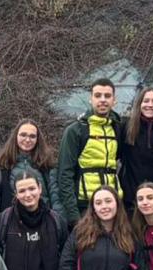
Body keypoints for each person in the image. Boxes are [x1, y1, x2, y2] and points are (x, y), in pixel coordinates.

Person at [53, 80, 128, 225]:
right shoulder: (75, 130)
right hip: (84, 205)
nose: (102, 100)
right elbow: (64, 173)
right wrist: (74, 216)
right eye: (98, 95)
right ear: (91, 98)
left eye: (107, 96)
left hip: (112, 205)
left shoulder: (118, 129)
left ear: (114, 100)